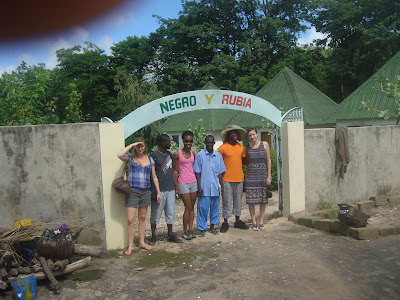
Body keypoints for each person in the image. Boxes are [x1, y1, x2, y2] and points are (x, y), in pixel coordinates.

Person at [117, 137, 160, 255]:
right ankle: (131, 245)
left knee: (142, 218)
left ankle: (142, 242)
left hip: (146, 192)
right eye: (138, 146)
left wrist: (158, 192)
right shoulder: (130, 158)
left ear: (145, 146)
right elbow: (119, 154)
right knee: (131, 220)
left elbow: (154, 177)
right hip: (133, 192)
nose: (140, 148)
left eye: (142, 145)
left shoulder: (150, 159)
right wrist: (132, 144)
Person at [149, 134, 183, 244]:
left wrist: (176, 186)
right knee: (156, 214)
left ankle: (170, 234)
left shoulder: (169, 155)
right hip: (159, 190)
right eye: (168, 142)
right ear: (162, 143)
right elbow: (151, 174)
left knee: (170, 213)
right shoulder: (153, 156)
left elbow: (173, 171)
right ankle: (153, 235)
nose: (170, 143)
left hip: (170, 188)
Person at [193, 135, 226, 237]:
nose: (209, 145)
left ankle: (212, 226)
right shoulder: (200, 155)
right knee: (202, 208)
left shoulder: (218, 156)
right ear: (205, 143)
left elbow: (220, 172)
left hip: (215, 187)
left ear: (214, 143)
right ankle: (202, 228)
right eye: (207, 143)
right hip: (204, 186)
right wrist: (199, 186)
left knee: (215, 208)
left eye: (211, 143)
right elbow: (197, 173)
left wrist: (222, 185)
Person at [218, 125, 249, 232]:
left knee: (238, 201)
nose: (235, 134)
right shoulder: (222, 148)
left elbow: (244, 161)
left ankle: (237, 220)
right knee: (226, 201)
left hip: (239, 178)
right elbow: (218, 164)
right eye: (232, 133)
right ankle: (225, 221)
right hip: (226, 179)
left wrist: (249, 154)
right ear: (228, 135)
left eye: (236, 133)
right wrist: (220, 181)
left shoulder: (241, 147)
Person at [245, 128, 272, 231]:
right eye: (250, 135)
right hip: (250, 176)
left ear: (257, 134)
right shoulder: (247, 147)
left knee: (262, 199)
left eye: (253, 134)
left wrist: (269, 176)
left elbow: (268, 160)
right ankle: (254, 222)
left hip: (262, 174)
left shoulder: (265, 145)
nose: (252, 137)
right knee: (251, 200)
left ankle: (261, 222)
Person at [173, 131, 198, 240]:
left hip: (193, 182)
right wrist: (176, 186)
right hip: (183, 182)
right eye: (186, 141)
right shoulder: (177, 154)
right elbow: (175, 171)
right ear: (183, 141)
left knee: (192, 207)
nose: (188, 143)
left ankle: (191, 228)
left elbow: (196, 169)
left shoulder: (193, 154)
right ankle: (185, 230)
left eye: (190, 141)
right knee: (187, 207)